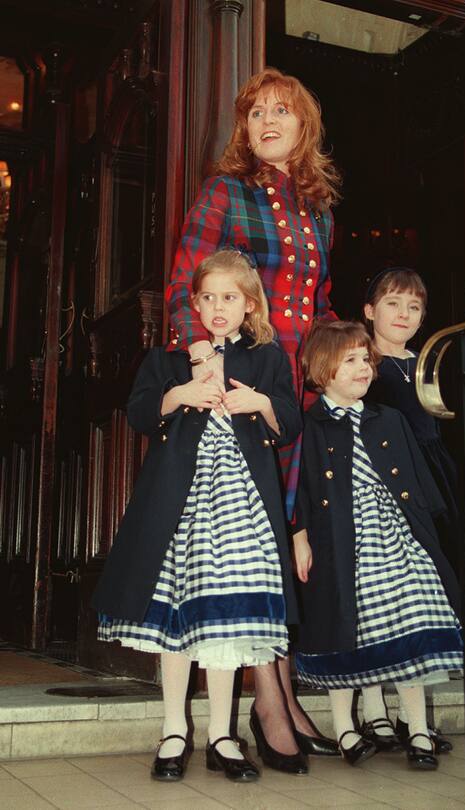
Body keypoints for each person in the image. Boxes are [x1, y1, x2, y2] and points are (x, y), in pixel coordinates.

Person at [165, 67, 342, 767]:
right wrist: (208, 365)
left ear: (305, 126)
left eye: (282, 111)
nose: (267, 121)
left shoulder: (320, 210)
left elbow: (320, 301)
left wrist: (352, 355)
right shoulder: (225, 192)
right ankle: (266, 694)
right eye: (256, 113)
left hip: (298, 388)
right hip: (245, 381)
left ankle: (287, 687)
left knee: (290, 529)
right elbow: (186, 283)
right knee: (257, 532)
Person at [92, 250, 303, 782]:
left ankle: (221, 736)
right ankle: (173, 730)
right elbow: (139, 411)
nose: (216, 307)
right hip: (178, 506)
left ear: (249, 305)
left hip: (240, 510)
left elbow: (291, 423)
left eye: (229, 298)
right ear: (194, 303)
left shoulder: (267, 359)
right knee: (175, 613)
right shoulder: (166, 361)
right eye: (207, 297)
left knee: (224, 619)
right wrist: (178, 395)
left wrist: (260, 404)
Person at [292, 320, 463, 771]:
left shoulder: (389, 418)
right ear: (324, 369)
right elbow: (301, 490)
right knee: (344, 629)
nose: (364, 367)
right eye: (351, 360)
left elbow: (417, 485)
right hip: (341, 545)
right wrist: (300, 536)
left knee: (410, 625)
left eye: (366, 359)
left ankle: (419, 730)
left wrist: (427, 535)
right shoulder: (309, 426)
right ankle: (346, 726)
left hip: (395, 540)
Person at [363, 268, 460, 752]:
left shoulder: (425, 361)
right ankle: (372, 706)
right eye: (393, 304)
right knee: (379, 593)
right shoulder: (365, 363)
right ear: (369, 312)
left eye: (414, 307)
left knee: (417, 596)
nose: (404, 315)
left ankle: (411, 715)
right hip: (385, 484)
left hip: (429, 481)